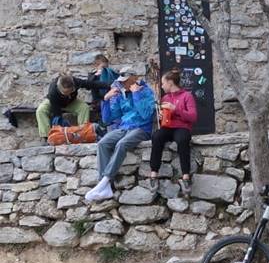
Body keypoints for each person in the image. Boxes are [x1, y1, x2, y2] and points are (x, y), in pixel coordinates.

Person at [84, 67, 155, 203]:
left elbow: (146, 115)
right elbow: (107, 120)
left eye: (125, 81)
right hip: (124, 128)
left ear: (134, 78)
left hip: (141, 129)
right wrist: (106, 99)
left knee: (122, 144)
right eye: (121, 82)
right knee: (103, 143)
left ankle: (104, 182)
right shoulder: (122, 94)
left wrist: (136, 94)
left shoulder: (146, 92)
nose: (122, 84)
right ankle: (105, 189)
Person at [149, 69, 197, 196]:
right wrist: (161, 115)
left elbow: (193, 117)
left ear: (170, 83)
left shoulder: (187, 96)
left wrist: (175, 109)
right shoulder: (165, 97)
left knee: (182, 139)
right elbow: (165, 117)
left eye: (163, 83)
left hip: (182, 127)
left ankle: (186, 176)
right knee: (157, 136)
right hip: (168, 127)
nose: (162, 86)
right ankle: (154, 174)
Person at [36, 72, 110, 138]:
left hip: (70, 102)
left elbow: (91, 84)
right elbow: (57, 115)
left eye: (70, 91)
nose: (68, 94)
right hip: (55, 103)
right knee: (41, 110)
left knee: (84, 107)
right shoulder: (53, 92)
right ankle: (48, 137)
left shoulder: (75, 81)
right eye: (65, 93)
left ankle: (84, 133)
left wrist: (108, 85)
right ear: (59, 89)